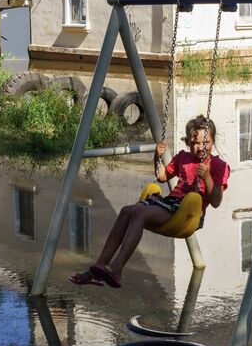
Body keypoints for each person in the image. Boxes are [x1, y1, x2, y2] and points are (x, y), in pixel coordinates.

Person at [69, 115, 230, 288]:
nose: (200, 147)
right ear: (188, 142)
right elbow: (161, 177)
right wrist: (156, 156)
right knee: (126, 211)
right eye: (194, 142)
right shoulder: (183, 157)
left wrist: (206, 177)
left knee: (139, 213)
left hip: (188, 214)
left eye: (205, 142)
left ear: (213, 141)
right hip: (170, 204)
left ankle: (116, 269)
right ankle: (100, 266)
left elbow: (216, 201)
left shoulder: (218, 166)